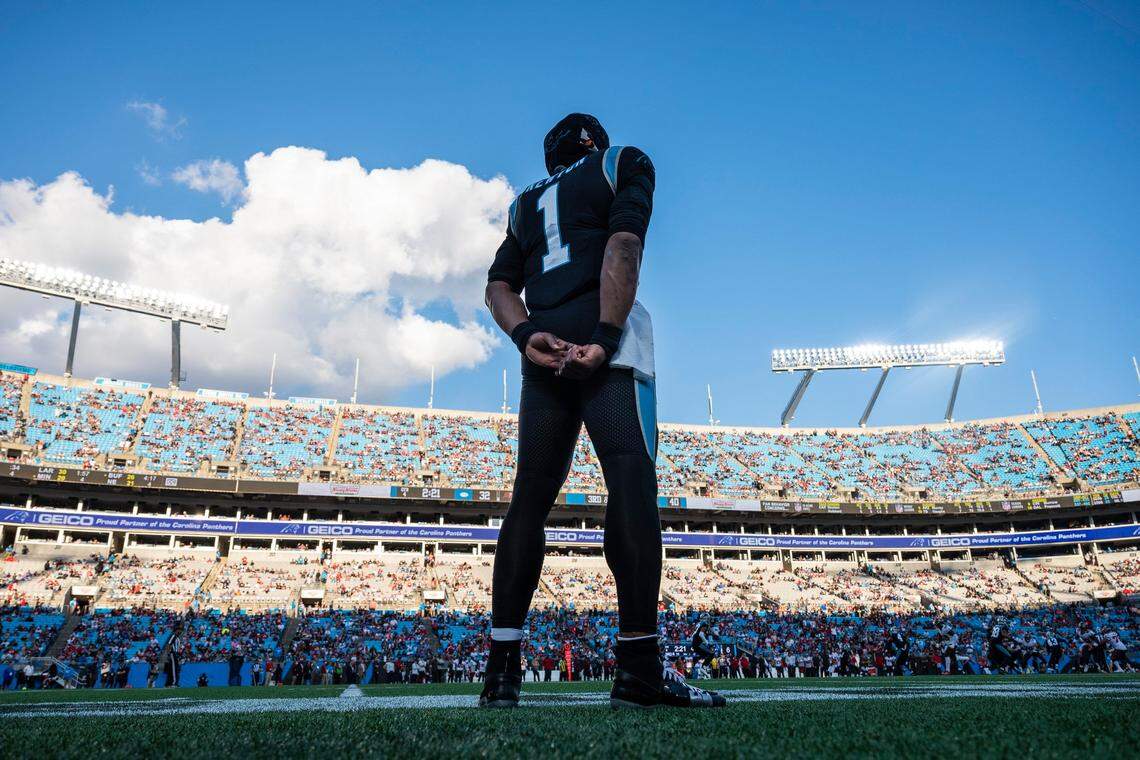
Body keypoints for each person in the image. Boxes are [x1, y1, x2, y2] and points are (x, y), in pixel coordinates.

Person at [479, 112, 723, 710]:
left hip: (543, 352)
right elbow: (622, 245)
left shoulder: (522, 205)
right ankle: (639, 669)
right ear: (595, 143)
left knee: (529, 500)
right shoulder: (621, 163)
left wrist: (527, 335)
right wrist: (607, 338)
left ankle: (500, 674)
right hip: (603, 341)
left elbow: (497, 288)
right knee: (631, 483)